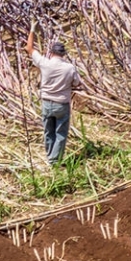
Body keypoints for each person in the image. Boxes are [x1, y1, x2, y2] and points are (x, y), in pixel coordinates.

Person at [26, 23, 82, 165]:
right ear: (63, 55)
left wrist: (32, 29)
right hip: (61, 104)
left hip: (46, 103)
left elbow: (29, 48)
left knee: (48, 132)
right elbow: (77, 83)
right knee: (60, 133)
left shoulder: (45, 63)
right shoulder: (69, 68)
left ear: (51, 53)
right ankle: (54, 161)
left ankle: (50, 157)